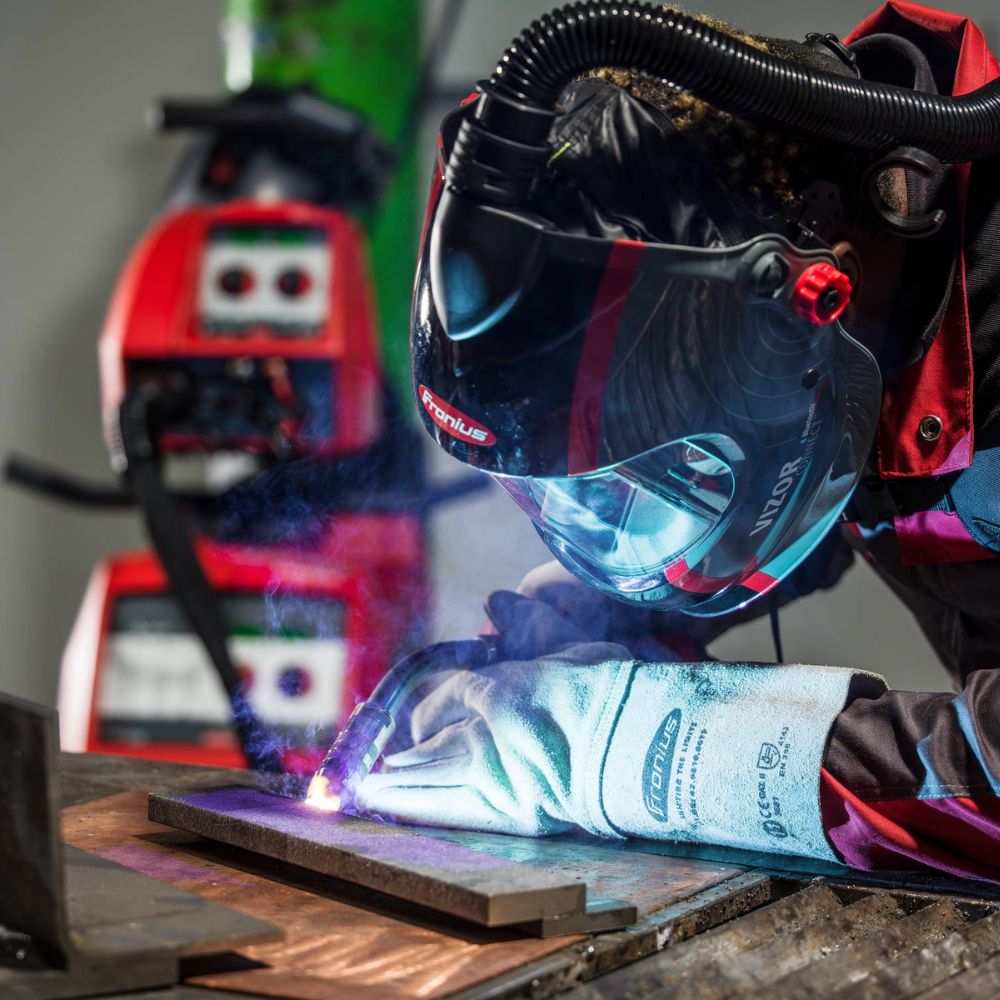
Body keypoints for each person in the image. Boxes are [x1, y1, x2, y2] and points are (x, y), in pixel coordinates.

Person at [358, 1, 1000, 880]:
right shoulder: (874, 321)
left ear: (815, 285)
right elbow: (833, 488)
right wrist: (606, 618)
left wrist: (655, 756)